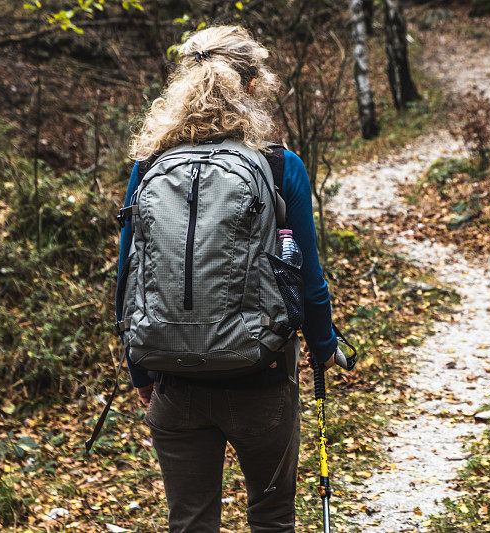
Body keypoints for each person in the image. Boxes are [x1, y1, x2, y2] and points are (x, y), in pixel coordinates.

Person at [118, 25, 338, 533]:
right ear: (253, 86)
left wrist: (139, 372)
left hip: (172, 376)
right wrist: (323, 342)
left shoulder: (148, 165)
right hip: (260, 374)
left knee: (190, 522)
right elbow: (306, 275)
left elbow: (128, 273)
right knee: (272, 516)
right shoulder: (281, 167)